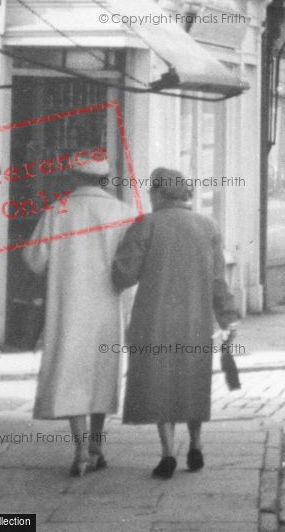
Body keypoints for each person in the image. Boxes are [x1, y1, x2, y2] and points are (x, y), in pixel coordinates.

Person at [112, 167, 239, 479]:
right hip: (196, 321)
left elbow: (124, 275)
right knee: (192, 383)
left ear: (158, 193)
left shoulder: (147, 224)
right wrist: (228, 317)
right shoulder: (207, 225)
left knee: (160, 385)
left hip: (154, 320)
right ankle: (195, 445)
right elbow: (217, 281)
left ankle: (168, 453)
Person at [23, 156, 133, 477]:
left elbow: (34, 259)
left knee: (72, 376)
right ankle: (98, 446)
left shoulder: (57, 211)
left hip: (68, 308)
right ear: (105, 179)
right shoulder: (123, 213)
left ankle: (81, 451)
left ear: (73, 177)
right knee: (101, 374)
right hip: (106, 308)